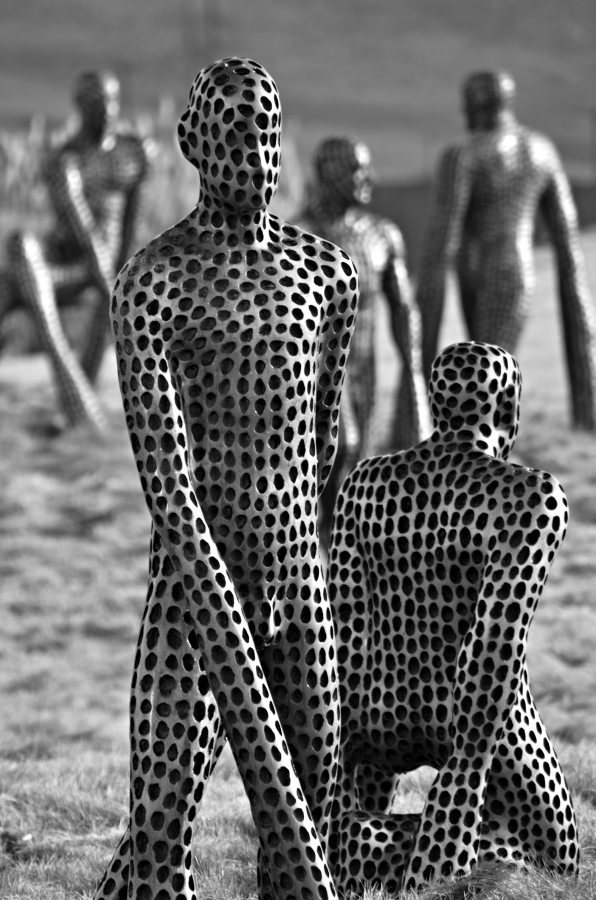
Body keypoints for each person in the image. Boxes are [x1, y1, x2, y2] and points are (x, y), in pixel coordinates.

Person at [93, 57, 358, 900]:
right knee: (160, 828)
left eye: (270, 133)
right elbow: (169, 488)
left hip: (298, 578)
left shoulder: (327, 276)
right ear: (192, 141)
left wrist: (297, 566)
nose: (260, 154)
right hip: (193, 587)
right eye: (240, 133)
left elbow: (321, 442)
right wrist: (225, 617)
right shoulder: (155, 284)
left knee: (311, 824)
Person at [327, 342, 578, 894]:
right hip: (474, 717)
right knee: (555, 849)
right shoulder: (530, 497)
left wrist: (341, 742)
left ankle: (373, 850)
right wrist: (467, 771)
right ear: (508, 408)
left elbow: (342, 624)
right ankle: (455, 858)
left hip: (374, 710)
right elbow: (495, 642)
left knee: (345, 843)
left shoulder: (365, 484)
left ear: (436, 403)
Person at [416, 70, 596, 430]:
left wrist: (420, 359)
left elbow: (441, 243)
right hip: (518, 272)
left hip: (486, 271)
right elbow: (567, 242)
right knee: (488, 368)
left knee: (486, 374)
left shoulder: (464, 155)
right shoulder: (542, 150)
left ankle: (481, 449)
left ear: (473, 106)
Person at [301, 138, 431, 545]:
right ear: (331, 174)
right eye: (358, 170)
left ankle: (334, 544)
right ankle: (324, 538)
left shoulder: (381, 235)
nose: (369, 178)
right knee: (342, 444)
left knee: (358, 458)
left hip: (364, 370)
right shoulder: (298, 237)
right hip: (316, 372)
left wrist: (412, 370)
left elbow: (403, 306)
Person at [3, 70, 150, 429]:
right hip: (69, 267)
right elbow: (86, 236)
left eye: (112, 100)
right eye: (98, 102)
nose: (108, 110)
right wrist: (114, 292)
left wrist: (123, 281)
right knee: (20, 250)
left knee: (12, 281)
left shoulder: (132, 154)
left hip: (111, 270)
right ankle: (64, 371)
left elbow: (129, 226)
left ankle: (78, 401)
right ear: (81, 106)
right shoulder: (64, 162)